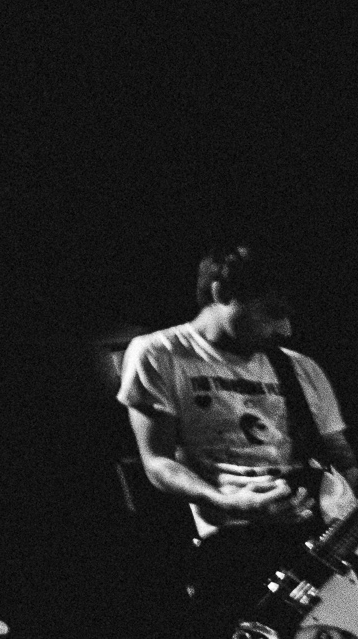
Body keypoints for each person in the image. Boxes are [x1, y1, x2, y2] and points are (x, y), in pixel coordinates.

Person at [118, 244, 356, 639]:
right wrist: (226, 501)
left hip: (321, 539)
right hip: (233, 547)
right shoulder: (160, 353)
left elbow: (341, 457)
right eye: (272, 312)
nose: (285, 330)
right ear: (221, 292)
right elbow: (156, 461)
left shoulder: (299, 367)